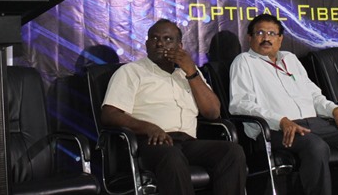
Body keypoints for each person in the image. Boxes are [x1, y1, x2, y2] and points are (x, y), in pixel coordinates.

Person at [229, 14, 338, 195]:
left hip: (316, 123)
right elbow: (241, 105)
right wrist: (281, 120)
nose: (266, 38)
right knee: (315, 146)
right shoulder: (244, 62)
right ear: (250, 38)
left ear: (280, 38)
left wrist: (335, 110)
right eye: (260, 33)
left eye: (272, 33)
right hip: (276, 131)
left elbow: (314, 95)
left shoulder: (290, 59)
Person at [101, 18, 247, 195]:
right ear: (147, 44)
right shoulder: (131, 72)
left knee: (232, 152)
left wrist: (191, 72)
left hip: (187, 142)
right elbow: (109, 114)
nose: (160, 43)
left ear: (180, 45)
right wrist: (148, 127)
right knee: (172, 156)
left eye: (168, 39)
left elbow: (213, 112)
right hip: (150, 143)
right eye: (154, 39)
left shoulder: (189, 73)